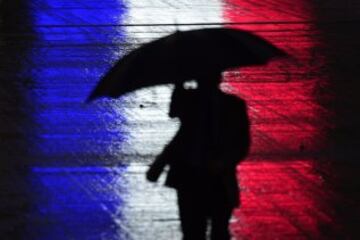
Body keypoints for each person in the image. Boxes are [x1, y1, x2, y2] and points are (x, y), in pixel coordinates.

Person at [146, 72, 250, 240]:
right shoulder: (191, 100)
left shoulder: (233, 105)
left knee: (217, 231)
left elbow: (241, 145)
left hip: (216, 178)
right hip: (192, 176)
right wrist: (179, 85)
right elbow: (174, 113)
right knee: (195, 231)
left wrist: (222, 163)